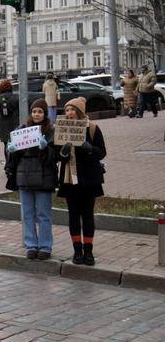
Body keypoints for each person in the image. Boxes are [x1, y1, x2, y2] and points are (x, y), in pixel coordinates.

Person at [5, 99, 58, 260]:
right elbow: (12, 158)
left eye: (40, 111)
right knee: (27, 214)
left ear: (45, 113)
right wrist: (11, 150)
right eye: (34, 111)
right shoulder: (21, 130)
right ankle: (31, 245)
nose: (37, 114)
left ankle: (45, 246)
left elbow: (55, 158)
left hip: (44, 178)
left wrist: (45, 148)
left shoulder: (51, 131)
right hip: (24, 177)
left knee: (43, 215)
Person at [56, 97, 105, 266]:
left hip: (89, 178)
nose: (69, 113)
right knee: (73, 215)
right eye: (67, 110)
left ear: (80, 112)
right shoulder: (62, 129)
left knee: (88, 215)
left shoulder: (92, 128)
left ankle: (89, 251)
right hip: (70, 178)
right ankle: (77, 250)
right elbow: (57, 155)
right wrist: (62, 152)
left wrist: (90, 148)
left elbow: (102, 152)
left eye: (72, 110)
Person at [0, 80, 18, 157]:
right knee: (16, 143)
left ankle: (8, 162)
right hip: (14, 122)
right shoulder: (16, 97)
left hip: (1, 124)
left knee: (6, 144)